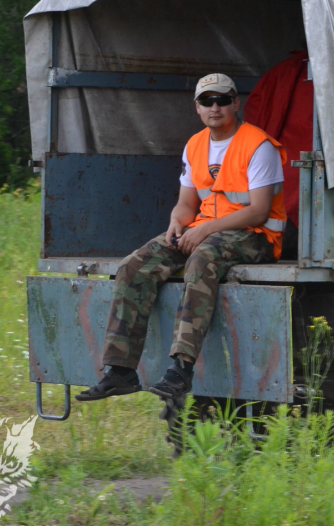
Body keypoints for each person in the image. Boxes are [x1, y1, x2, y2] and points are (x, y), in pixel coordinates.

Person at [76, 73, 287, 402]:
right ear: (197, 107)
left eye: (222, 100)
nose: (214, 107)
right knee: (134, 265)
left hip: (255, 236)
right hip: (207, 230)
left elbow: (259, 212)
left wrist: (203, 230)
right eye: (207, 101)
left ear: (236, 103)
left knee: (202, 259)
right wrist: (177, 222)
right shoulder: (195, 145)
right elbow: (187, 204)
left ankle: (181, 370)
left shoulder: (259, 146)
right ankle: (120, 371)